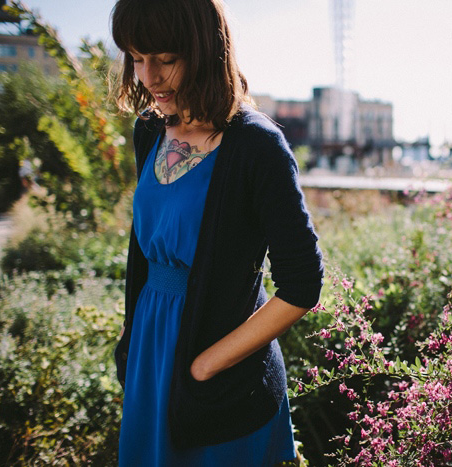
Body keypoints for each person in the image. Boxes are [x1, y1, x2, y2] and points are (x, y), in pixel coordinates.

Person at [110, 0, 324, 465]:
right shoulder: (148, 130)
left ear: (205, 48)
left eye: (165, 58)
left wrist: (207, 365)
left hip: (220, 372)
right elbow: (146, 252)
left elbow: (303, 283)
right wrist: (133, 341)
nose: (148, 76)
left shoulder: (258, 146)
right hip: (153, 353)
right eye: (136, 57)